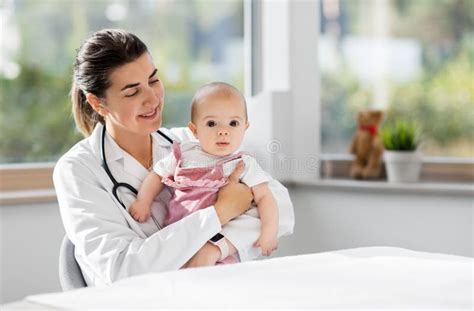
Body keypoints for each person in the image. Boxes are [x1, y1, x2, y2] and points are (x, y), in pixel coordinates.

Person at [53, 29, 294, 286]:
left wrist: (215, 249)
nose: (153, 99)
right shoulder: (78, 169)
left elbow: (280, 207)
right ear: (98, 103)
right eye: (133, 92)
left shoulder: (191, 142)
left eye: (154, 80)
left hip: (206, 291)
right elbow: (122, 270)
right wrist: (219, 213)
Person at [129, 82, 279, 261]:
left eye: (233, 123)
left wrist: (269, 232)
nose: (223, 131)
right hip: (177, 237)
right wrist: (143, 201)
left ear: (245, 127)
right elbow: (157, 175)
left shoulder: (242, 164)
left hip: (218, 243)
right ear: (194, 130)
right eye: (211, 123)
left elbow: (265, 198)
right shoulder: (183, 153)